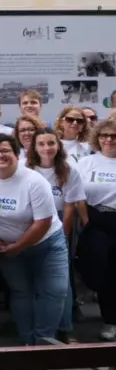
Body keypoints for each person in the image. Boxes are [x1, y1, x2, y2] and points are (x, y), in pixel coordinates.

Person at [0, 133, 68, 346]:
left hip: (46, 244)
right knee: (21, 292)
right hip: (5, 247)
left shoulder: (34, 181)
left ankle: (43, 341)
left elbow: (43, 222)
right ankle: (26, 341)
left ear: (16, 153)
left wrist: (19, 246)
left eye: (5, 150)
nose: (0, 155)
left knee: (54, 291)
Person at [26, 128, 87, 342]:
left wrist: (63, 234)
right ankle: (36, 330)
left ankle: (65, 327)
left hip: (59, 222)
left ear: (58, 146)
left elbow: (70, 206)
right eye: (41, 144)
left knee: (62, 282)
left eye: (51, 143)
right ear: (34, 147)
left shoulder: (69, 171)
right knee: (35, 280)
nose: (46, 148)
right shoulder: (26, 168)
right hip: (31, 222)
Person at [76, 117, 116, 340]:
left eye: (113, 136)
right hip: (96, 221)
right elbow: (77, 195)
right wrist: (86, 221)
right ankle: (110, 321)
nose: (109, 139)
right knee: (103, 273)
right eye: (104, 135)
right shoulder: (86, 163)